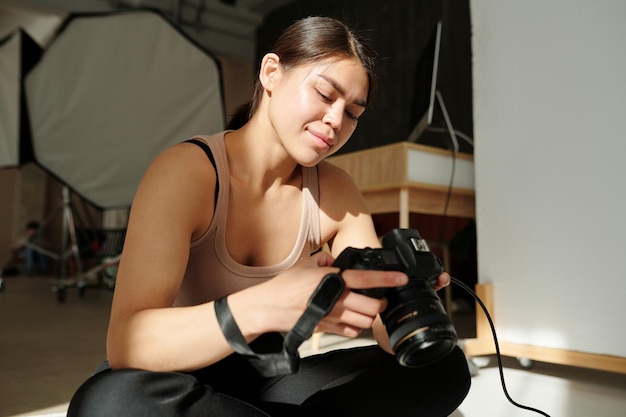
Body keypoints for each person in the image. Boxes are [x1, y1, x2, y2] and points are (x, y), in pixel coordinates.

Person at [68, 16, 470, 417]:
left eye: (352, 113)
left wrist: (408, 308)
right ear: (271, 73)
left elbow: (384, 330)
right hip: (179, 375)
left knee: (442, 366)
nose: (336, 120)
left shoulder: (337, 190)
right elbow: (126, 344)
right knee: (109, 403)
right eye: (325, 94)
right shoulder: (186, 173)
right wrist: (265, 306)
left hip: (269, 379)